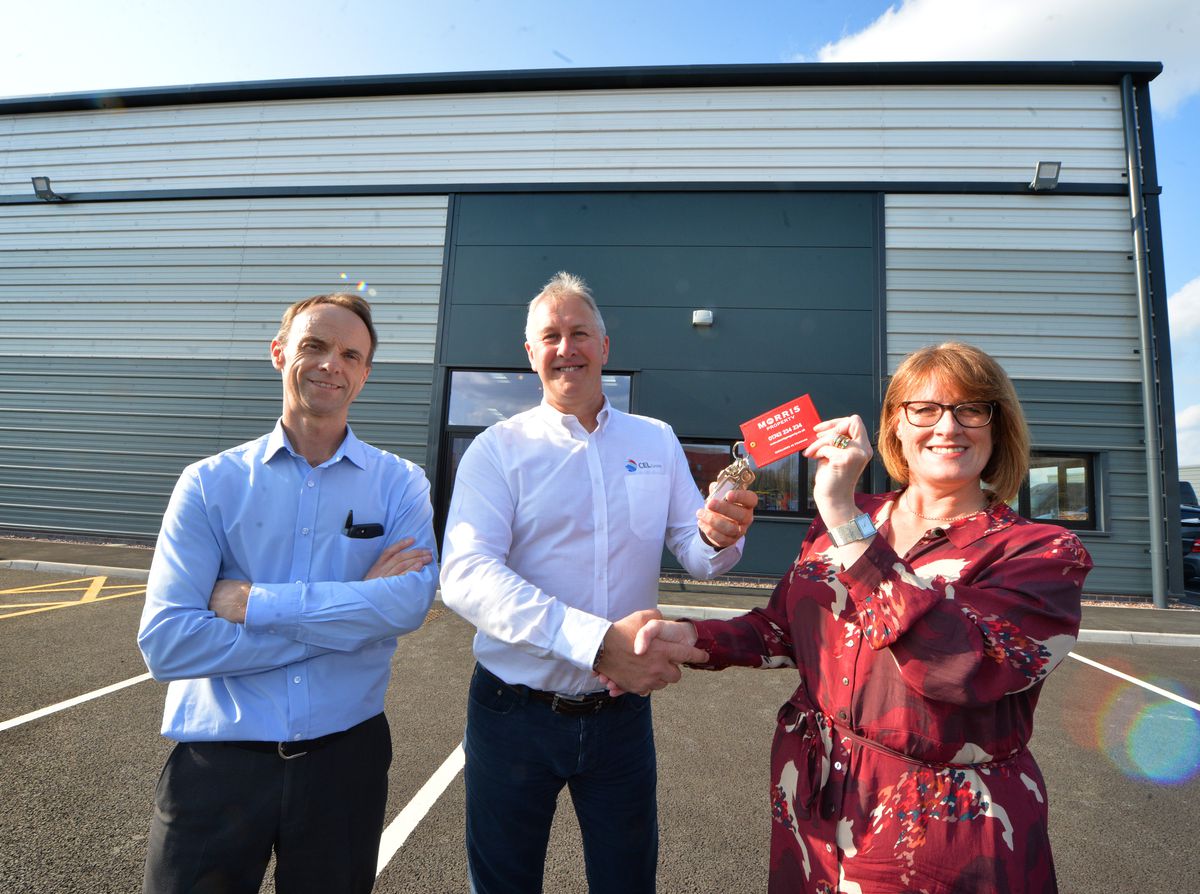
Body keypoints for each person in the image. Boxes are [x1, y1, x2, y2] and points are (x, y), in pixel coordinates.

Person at [631, 342, 1093, 893]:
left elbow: (952, 666)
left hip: (942, 832)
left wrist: (845, 517)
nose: (948, 426)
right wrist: (690, 636)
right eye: (924, 409)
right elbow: (784, 628)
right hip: (814, 802)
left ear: (998, 428)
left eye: (972, 409)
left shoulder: (1039, 552)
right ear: (895, 426)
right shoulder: (857, 515)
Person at [439, 271, 758, 894]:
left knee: (627, 880)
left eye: (580, 333)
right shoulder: (496, 450)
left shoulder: (655, 440)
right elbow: (467, 576)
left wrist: (720, 534)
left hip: (619, 716)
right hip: (513, 712)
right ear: (530, 354)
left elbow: (694, 552)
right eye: (551, 336)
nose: (567, 348)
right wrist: (595, 642)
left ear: (605, 348)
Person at [137, 292, 438, 894]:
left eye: (351, 354)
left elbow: (407, 605)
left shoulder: (401, 483)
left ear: (365, 372)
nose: (332, 364)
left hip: (343, 763)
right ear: (279, 353)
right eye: (314, 346)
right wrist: (349, 614)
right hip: (218, 763)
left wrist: (255, 604)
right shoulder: (208, 483)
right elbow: (168, 644)